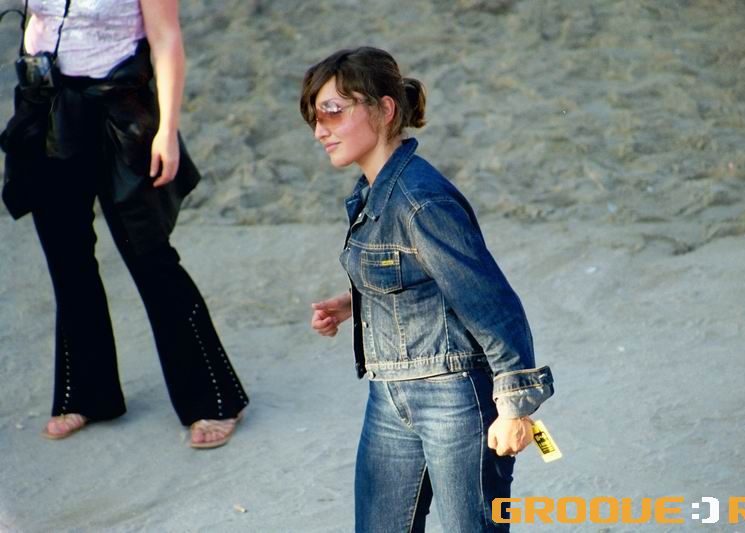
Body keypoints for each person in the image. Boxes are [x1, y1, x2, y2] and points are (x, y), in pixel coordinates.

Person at [301, 46, 555, 531]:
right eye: (315, 117)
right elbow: (421, 274)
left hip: (455, 401)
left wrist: (514, 408)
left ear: (384, 109)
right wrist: (360, 300)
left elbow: (492, 304)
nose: (320, 130)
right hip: (389, 395)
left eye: (333, 111)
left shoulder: (421, 201)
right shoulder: (373, 191)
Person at [0, 0, 248, 448]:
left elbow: (166, 39)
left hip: (120, 109)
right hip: (46, 101)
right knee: (66, 258)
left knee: (149, 256)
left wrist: (167, 131)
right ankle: (88, 394)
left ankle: (213, 398)